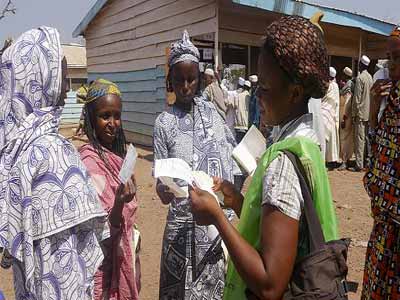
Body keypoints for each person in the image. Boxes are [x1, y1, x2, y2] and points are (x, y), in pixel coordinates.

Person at [190, 15, 338, 299]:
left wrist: (218, 217)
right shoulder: (306, 143)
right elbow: (284, 226)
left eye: (265, 88)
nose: (257, 95)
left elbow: (270, 284)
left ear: (294, 92)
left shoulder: (284, 161)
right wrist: (236, 202)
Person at [0, 27, 109, 299]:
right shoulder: (52, 151)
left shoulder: (16, 149)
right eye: (61, 77)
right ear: (40, 80)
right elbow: (66, 268)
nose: (67, 89)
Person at [154, 30, 238, 299]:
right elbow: (160, 181)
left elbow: (230, 157)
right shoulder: (163, 124)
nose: (186, 86)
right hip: (179, 230)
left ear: (200, 79)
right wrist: (163, 190)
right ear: (171, 81)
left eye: (192, 79)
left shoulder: (213, 114)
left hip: (212, 226)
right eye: (179, 80)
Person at [79, 79, 141, 300]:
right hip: (100, 267)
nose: (113, 123)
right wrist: (119, 202)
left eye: (117, 115)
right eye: (105, 116)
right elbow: (101, 228)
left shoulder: (116, 158)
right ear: (90, 119)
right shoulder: (88, 163)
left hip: (123, 255)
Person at [362, 25, 400, 300]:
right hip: (384, 227)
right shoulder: (391, 102)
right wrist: (375, 108)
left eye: (398, 58)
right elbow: (376, 155)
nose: (392, 67)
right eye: (390, 58)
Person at [352, 55, 373, 171]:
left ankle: (359, 164)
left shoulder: (360, 78)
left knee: (360, 140)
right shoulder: (370, 77)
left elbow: (357, 99)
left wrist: (354, 114)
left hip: (360, 113)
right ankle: (366, 161)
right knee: (365, 139)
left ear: (361, 65)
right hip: (368, 113)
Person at [321, 66, 340, 168]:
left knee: (325, 138)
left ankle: (327, 160)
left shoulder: (329, 86)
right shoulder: (335, 86)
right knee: (331, 139)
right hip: (332, 114)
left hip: (327, 113)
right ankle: (331, 160)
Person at [338, 67, 355, 171]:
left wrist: (344, 118)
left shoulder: (348, 88)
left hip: (345, 117)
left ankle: (344, 161)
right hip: (346, 116)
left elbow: (347, 105)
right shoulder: (348, 86)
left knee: (344, 139)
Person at [233, 79, 251, 143]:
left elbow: (234, 106)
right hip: (247, 125)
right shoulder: (250, 98)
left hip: (238, 124)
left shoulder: (238, 96)